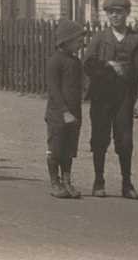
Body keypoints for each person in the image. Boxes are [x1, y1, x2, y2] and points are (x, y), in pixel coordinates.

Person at [82, 0, 138, 199]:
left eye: (119, 12)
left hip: (125, 97)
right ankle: (98, 181)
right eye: (110, 13)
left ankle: (127, 184)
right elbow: (87, 64)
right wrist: (107, 66)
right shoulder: (100, 38)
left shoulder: (136, 39)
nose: (114, 17)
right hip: (102, 96)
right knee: (100, 138)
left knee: (125, 140)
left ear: (127, 13)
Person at [46, 20, 86, 199]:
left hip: (74, 112)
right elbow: (54, 89)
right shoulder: (55, 61)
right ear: (66, 40)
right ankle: (55, 182)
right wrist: (64, 111)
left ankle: (67, 181)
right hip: (58, 114)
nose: (81, 44)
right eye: (78, 40)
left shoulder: (75, 61)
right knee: (56, 148)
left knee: (69, 149)